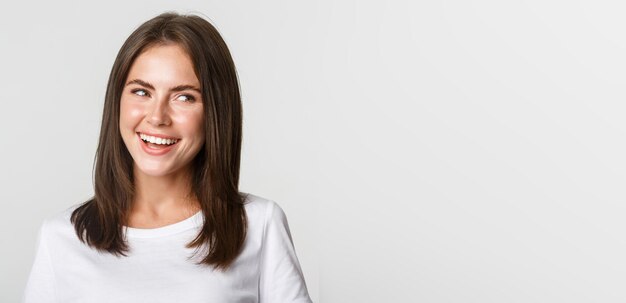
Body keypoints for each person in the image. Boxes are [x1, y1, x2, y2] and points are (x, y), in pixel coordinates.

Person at [22, 11, 312, 303]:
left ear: (215, 111)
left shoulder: (258, 224)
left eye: (184, 97)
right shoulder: (60, 237)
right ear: (117, 101)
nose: (158, 117)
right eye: (141, 91)